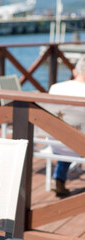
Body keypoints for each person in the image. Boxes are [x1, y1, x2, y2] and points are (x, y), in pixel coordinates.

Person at [50, 55, 85, 196]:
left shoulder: (55, 88)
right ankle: (58, 180)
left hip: (55, 144)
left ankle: (59, 179)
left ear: (75, 72)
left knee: (66, 133)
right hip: (80, 146)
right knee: (75, 135)